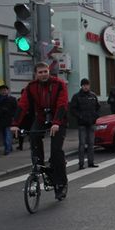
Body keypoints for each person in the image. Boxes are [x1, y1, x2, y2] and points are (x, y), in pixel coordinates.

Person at [11, 62, 69, 200]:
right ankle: (38, 164)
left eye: (45, 71)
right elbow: (22, 105)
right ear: (36, 74)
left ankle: (61, 184)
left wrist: (56, 123)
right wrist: (15, 124)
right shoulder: (31, 87)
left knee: (56, 151)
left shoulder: (59, 84)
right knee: (33, 136)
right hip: (42, 117)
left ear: (49, 72)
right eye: (40, 72)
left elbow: (62, 104)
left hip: (58, 119)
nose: (43, 74)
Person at [70, 78, 100, 170]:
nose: (86, 87)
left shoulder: (93, 95)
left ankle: (91, 162)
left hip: (91, 123)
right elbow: (73, 109)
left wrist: (95, 116)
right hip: (82, 124)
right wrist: (80, 116)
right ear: (81, 86)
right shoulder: (77, 96)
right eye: (84, 85)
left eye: (87, 85)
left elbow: (98, 107)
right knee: (82, 144)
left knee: (91, 143)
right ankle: (81, 163)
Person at [0, 85, 17, 156]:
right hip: (0, 121)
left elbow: (16, 109)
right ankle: (9, 147)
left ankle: (7, 149)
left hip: (9, 120)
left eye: (5, 90)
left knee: (8, 135)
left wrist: (14, 118)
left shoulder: (12, 99)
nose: (3, 91)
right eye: (2, 90)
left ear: (7, 91)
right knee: (4, 136)